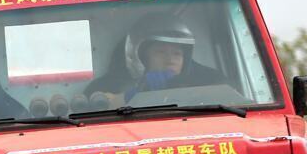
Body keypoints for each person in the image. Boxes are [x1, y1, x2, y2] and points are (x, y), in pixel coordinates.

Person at [85, 12, 226, 106]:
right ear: (140, 55)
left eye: (177, 53)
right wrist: (135, 94)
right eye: (160, 52)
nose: (170, 59)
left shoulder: (210, 81)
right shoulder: (107, 86)